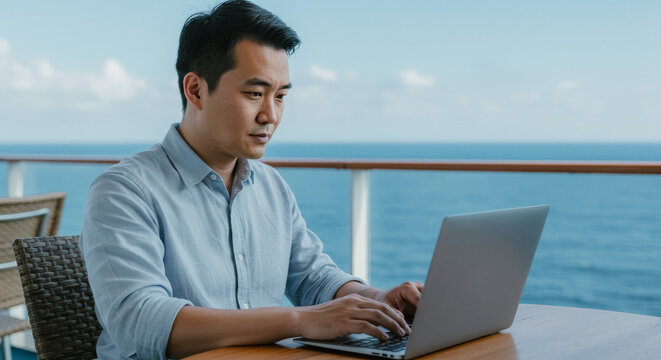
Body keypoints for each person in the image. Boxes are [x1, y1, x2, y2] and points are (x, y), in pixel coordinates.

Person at [81, 1, 423, 358]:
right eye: (255, 94)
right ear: (195, 90)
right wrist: (300, 320)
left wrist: (378, 300)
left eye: (281, 96)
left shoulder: (271, 186)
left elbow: (313, 276)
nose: (270, 115)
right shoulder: (124, 190)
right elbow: (140, 322)